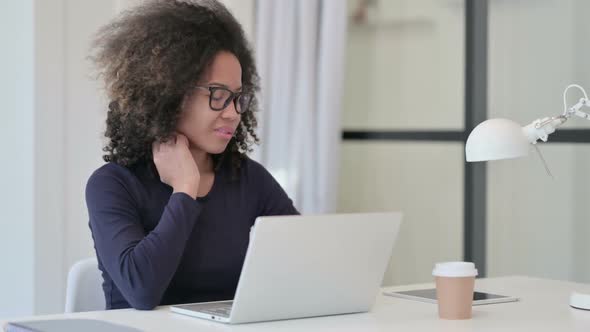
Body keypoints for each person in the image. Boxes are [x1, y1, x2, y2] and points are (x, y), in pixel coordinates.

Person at [85, 0, 298, 310]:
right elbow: (142, 292)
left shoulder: (248, 178)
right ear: (169, 94)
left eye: (238, 98)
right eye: (218, 96)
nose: (233, 113)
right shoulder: (112, 185)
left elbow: (302, 263)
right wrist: (185, 187)